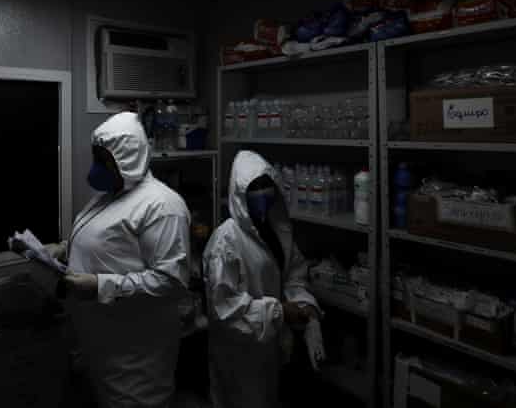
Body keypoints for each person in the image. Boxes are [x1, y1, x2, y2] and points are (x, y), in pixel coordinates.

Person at [45, 111, 192, 408]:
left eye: (103, 159)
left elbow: (170, 281)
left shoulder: (162, 206)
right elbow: (108, 241)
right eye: (96, 157)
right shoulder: (111, 194)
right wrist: (65, 247)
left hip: (136, 360)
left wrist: (101, 286)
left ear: (128, 158)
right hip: (102, 346)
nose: (97, 166)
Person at [204, 150, 322, 408]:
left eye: (267, 187)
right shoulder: (226, 241)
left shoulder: (277, 228)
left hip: (270, 346)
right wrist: (281, 311)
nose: (262, 195)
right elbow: (226, 311)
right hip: (239, 356)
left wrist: (305, 306)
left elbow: (294, 274)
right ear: (238, 195)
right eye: (254, 189)